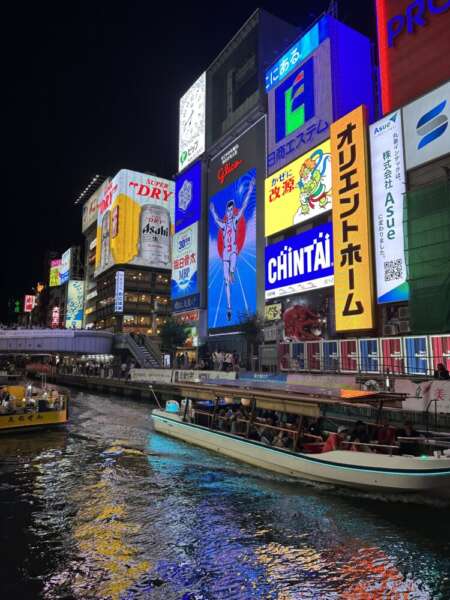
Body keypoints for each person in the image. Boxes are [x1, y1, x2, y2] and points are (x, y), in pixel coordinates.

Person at [209, 177, 255, 322]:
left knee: (233, 259)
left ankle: (233, 272)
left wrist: (251, 189)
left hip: (233, 251)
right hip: (225, 254)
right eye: (228, 211)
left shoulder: (235, 221)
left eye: (231, 210)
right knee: (226, 281)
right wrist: (212, 210)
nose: (230, 212)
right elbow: (216, 218)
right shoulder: (223, 224)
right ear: (226, 212)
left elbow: (244, 206)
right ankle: (228, 307)